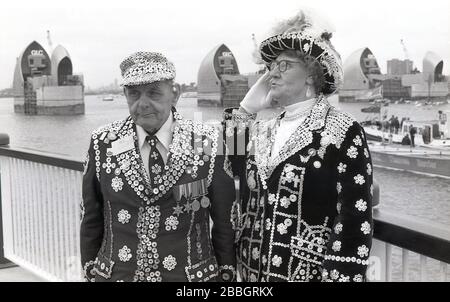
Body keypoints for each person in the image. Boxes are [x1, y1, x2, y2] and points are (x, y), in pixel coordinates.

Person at [223, 9, 373, 282]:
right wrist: (246, 109)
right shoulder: (264, 129)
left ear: (312, 75)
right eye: (271, 67)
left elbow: (353, 222)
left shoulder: (342, 131)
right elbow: (230, 165)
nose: (272, 75)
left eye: (284, 65)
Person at [80, 52, 236, 282]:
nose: (142, 104)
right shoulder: (103, 142)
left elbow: (224, 222)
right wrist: (90, 271)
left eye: (153, 92)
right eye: (133, 93)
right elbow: (90, 218)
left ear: (175, 93)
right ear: (124, 94)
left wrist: (226, 276)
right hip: (117, 275)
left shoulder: (208, 142)